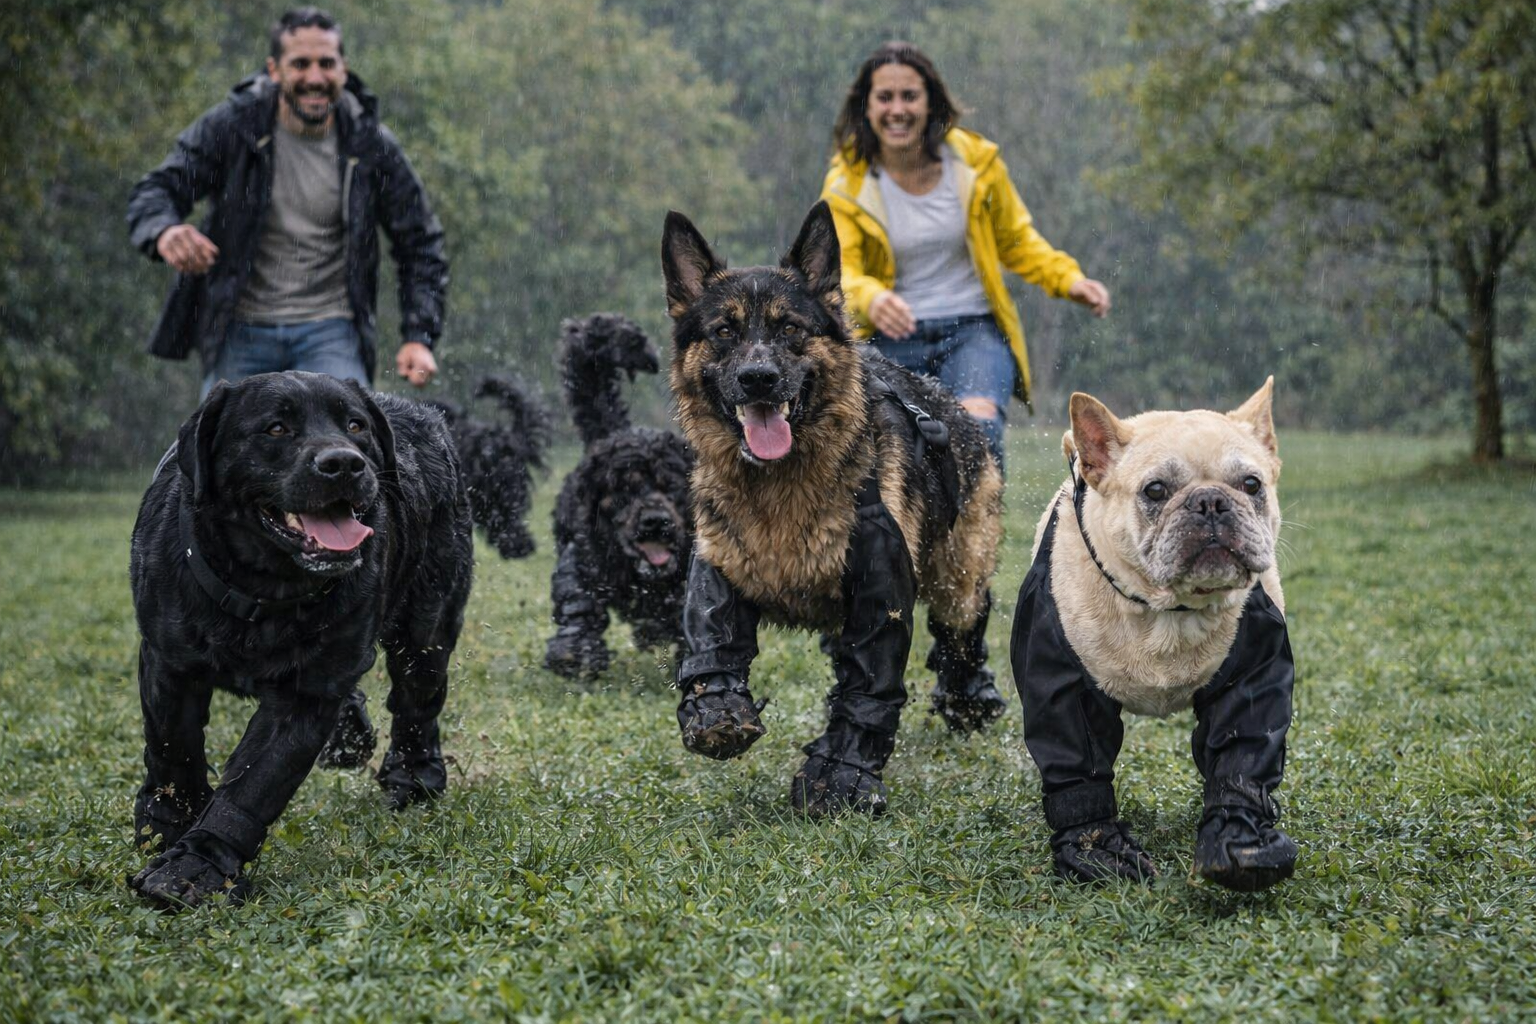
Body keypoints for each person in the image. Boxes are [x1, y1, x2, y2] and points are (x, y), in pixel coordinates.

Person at [128, 7, 448, 397]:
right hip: (240, 326)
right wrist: (164, 230)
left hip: (331, 328)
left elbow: (420, 242)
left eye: (326, 64)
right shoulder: (235, 127)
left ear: (343, 69)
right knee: (221, 436)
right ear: (274, 70)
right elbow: (157, 190)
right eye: (300, 64)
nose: (315, 78)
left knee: (355, 431)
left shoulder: (370, 145)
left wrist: (419, 336)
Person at [821, 41, 1110, 470]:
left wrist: (1068, 279)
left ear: (930, 102)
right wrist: (873, 298)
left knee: (977, 434)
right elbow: (843, 271)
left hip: (971, 330)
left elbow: (1016, 240)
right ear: (867, 106)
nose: (897, 109)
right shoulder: (847, 182)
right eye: (885, 97)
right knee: (890, 445)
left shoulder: (975, 163)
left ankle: (981, 515)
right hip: (889, 338)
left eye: (909, 96)